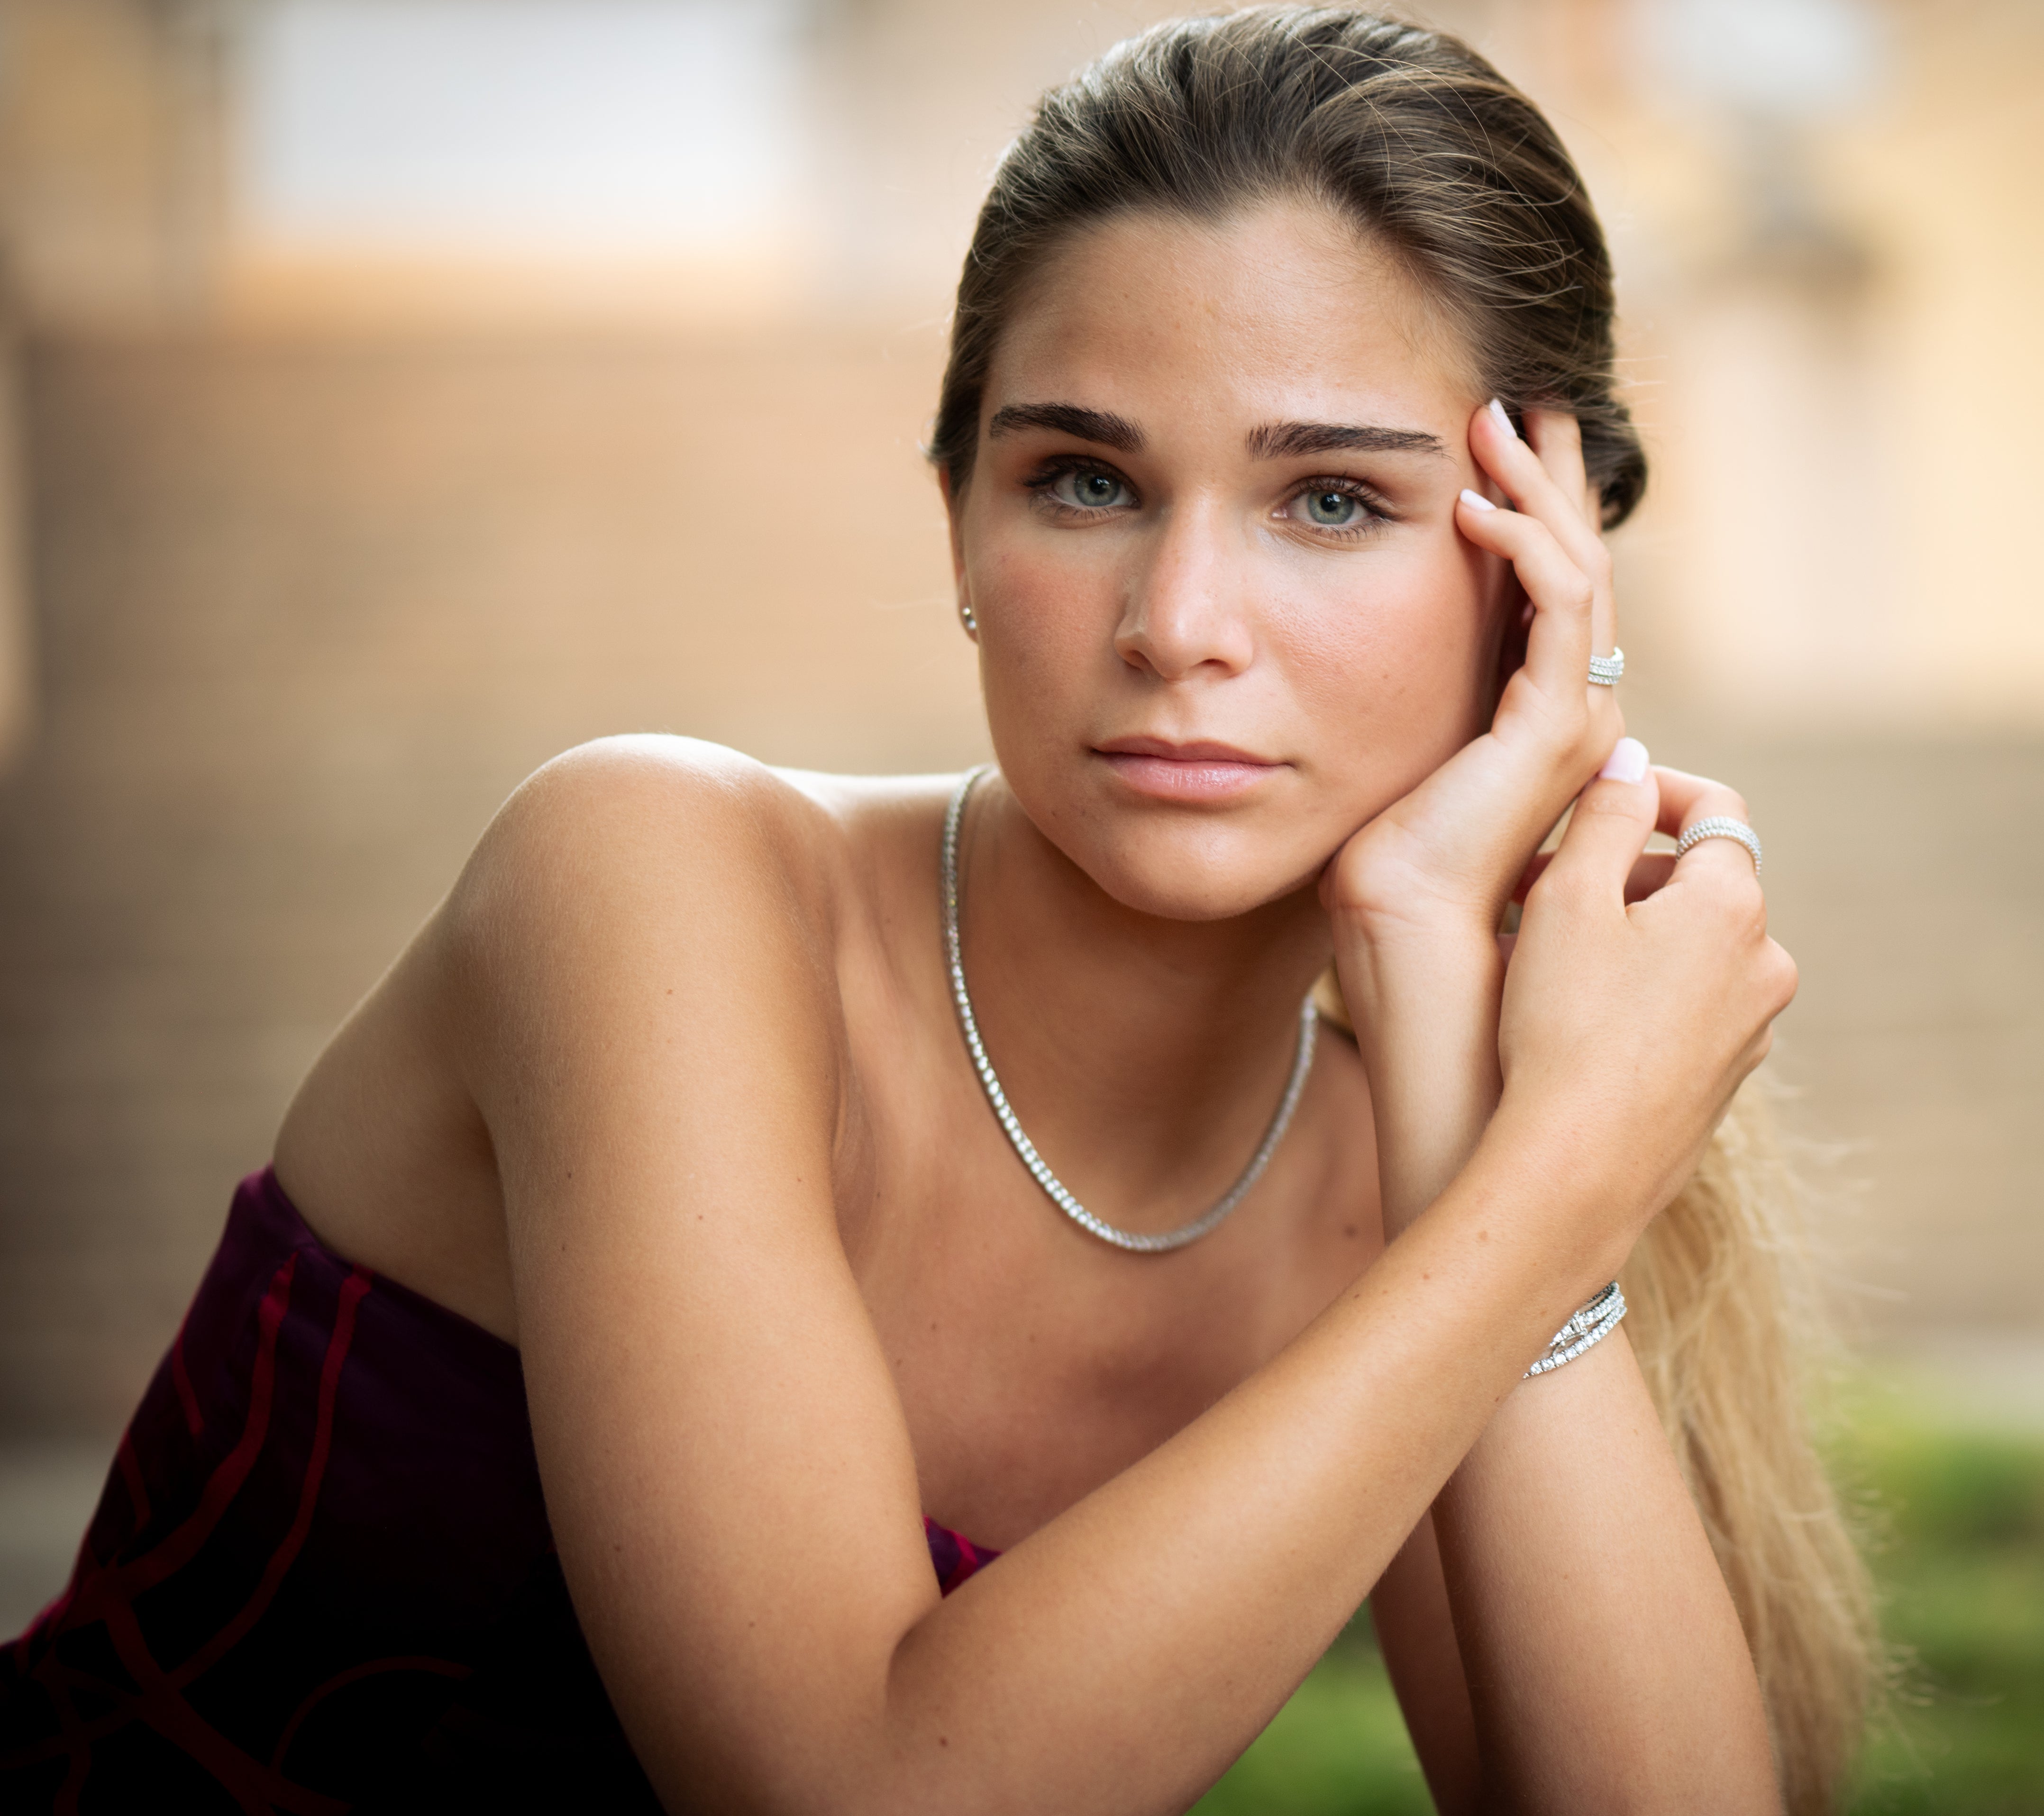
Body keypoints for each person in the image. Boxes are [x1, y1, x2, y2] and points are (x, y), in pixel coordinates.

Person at [1, 7, 1874, 1809]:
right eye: (1085, 480)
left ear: (1543, 576)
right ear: (962, 522)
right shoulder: (653, 883)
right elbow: (847, 1785)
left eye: (1330, 502)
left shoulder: (1388, 1163)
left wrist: (1456, 1042)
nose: (1178, 624)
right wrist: (1556, 1185)